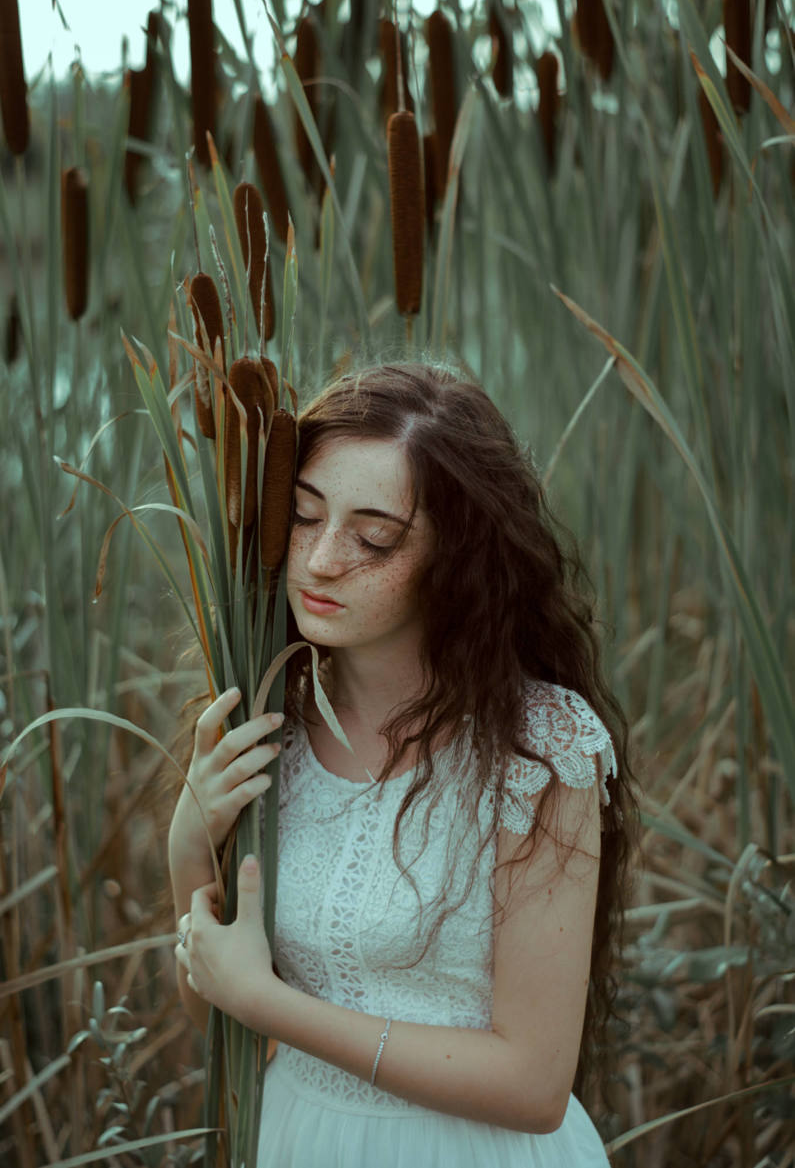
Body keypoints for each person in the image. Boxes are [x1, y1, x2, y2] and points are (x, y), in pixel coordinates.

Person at [168, 361, 637, 1167]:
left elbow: (533, 1084)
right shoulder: (266, 725)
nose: (318, 560)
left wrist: (269, 1003)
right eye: (305, 517)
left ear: (456, 558)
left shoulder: (542, 746)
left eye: (373, 537)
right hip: (296, 1141)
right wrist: (186, 845)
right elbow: (218, 1009)